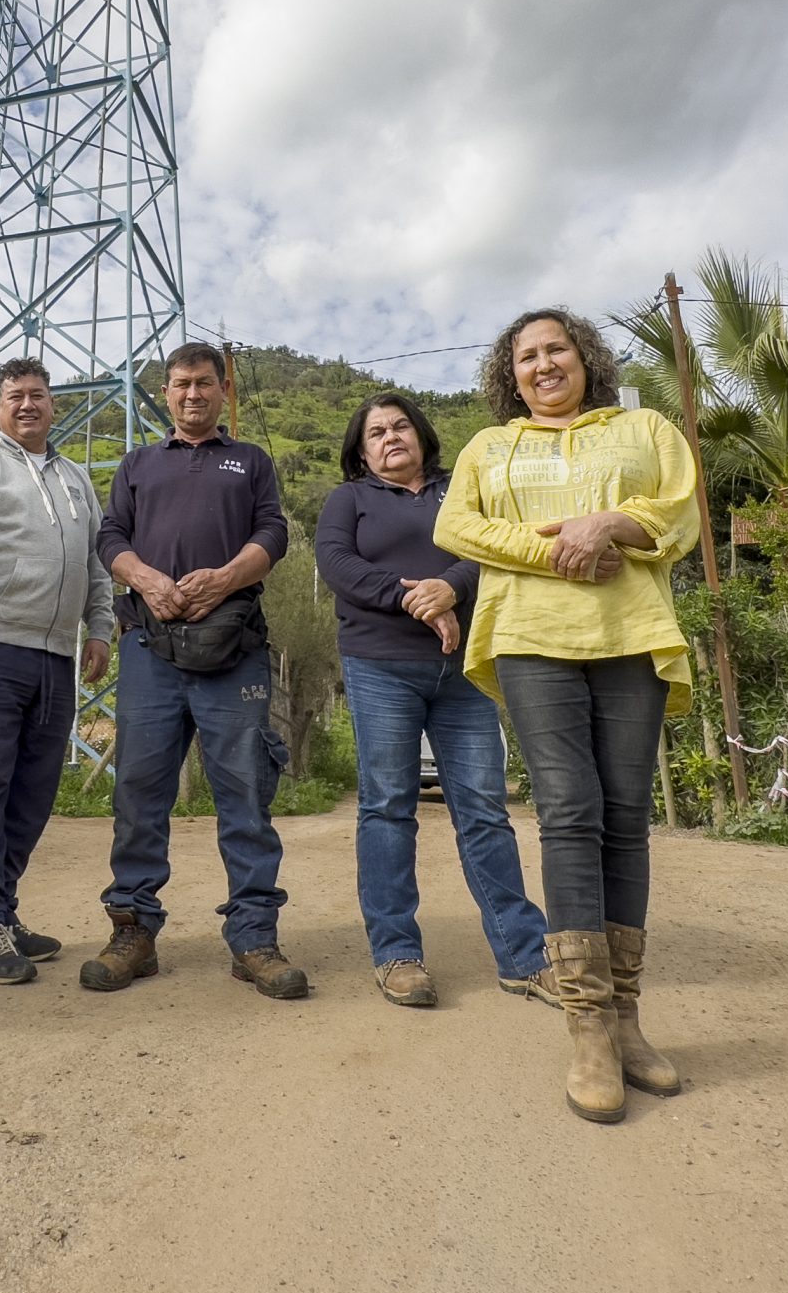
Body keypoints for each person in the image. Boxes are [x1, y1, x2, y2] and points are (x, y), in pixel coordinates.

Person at [436, 306, 699, 1122]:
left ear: (585, 358)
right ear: (507, 374)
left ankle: (625, 1019)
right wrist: (559, 547)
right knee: (568, 810)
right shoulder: (489, 447)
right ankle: (586, 1026)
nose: (542, 365)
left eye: (556, 350)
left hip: (629, 631)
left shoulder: (646, 427)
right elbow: (457, 525)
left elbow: (680, 513)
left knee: (625, 815)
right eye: (526, 356)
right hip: (530, 636)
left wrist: (615, 522)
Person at [316, 392, 583, 1008]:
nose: (390, 437)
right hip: (380, 667)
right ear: (361, 450)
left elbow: (488, 549)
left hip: (464, 672)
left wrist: (449, 586)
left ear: (421, 434)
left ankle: (524, 956)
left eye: (400, 426)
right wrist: (415, 598)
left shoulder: (460, 488)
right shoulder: (348, 499)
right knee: (386, 807)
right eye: (375, 432)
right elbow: (336, 564)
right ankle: (397, 954)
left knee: (485, 810)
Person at [83, 341, 305, 1000]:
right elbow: (109, 538)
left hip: (233, 652)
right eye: (180, 384)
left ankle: (253, 937)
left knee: (243, 795)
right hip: (151, 649)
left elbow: (275, 534)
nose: (191, 395)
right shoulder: (139, 463)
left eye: (204, 384)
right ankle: (134, 931)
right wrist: (148, 580)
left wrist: (227, 578)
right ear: (167, 391)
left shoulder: (251, 462)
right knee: (140, 795)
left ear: (222, 389)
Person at [0, 356, 114, 984]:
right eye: (15, 396)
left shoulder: (76, 478)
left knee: (31, 792)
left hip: (57, 655)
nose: (27, 405)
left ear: (53, 405)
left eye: (38, 395)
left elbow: (94, 564)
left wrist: (100, 628)